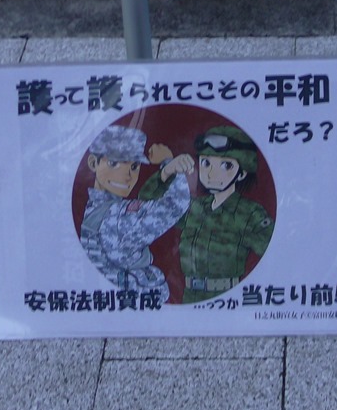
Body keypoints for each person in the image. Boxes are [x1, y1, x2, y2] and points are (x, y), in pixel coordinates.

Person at [141, 126, 274, 303]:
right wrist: (166, 171)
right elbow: (149, 206)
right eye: (206, 163)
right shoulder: (194, 208)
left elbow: (277, 255)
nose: (211, 173)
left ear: (241, 173)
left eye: (226, 165)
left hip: (228, 298)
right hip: (189, 296)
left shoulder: (249, 214)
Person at [79, 125, 194, 303]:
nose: (126, 175)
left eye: (134, 166)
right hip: (135, 305)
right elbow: (175, 204)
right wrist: (169, 164)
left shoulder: (94, 207)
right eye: (114, 163)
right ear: (94, 163)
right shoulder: (117, 215)